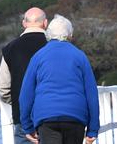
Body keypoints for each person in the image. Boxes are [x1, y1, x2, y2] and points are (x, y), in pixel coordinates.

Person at [19, 15, 100, 144]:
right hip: (75, 116)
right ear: (70, 35)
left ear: (48, 34)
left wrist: (27, 127)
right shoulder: (80, 56)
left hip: (46, 116)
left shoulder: (38, 56)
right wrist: (93, 129)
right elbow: (91, 94)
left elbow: (25, 94)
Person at [0, 7, 48, 144]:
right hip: (51, 115)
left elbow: (2, 87)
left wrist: (19, 102)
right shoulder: (53, 46)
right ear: (45, 23)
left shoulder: (10, 48)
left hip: (23, 118)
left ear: (24, 23)